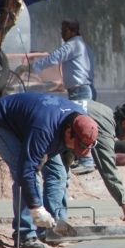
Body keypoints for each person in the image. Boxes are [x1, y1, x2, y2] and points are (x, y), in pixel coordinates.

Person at [0, 92, 99, 248]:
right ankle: (25, 235)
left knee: (59, 174)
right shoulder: (43, 130)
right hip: (1, 123)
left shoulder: (82, 123)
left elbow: (67, 154)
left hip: (33, 125)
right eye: (76, 145)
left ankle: (53, 230)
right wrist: (36, 208)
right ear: (68, 132)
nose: (75, 149)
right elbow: (27, 170)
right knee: (25, 174)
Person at [21, 19, 97, 174]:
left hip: (80, 91)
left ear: (71, 30)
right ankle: (79, 159)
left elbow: (54, 58)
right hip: (84, 89)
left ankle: (86, 161)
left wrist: (30, 67)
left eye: (64, 30)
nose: (62, 33)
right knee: (81, 125)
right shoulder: (84, 46)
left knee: (80, 126)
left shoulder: (73, 45)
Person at [67, 101, 125, 224]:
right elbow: (108, 170)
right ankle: (48, 228)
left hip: (53, 126)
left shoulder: (104, 112)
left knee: (61, 175)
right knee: (57, 176)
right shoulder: (104, 127)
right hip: (46, 130)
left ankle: (53, 222)